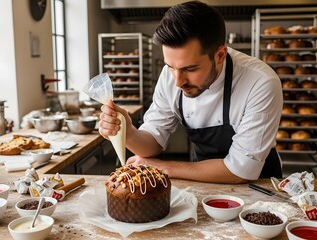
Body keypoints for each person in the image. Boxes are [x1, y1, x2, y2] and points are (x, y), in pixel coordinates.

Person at [99, 0, 283, 184]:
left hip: (259, 188)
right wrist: (127, 131)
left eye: (191, 69)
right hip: (201, 180)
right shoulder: (170, 76)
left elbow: (240, 170)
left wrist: (164, 167)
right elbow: (152, 141)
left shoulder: (261, 82)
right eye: (170, 66)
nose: (178, 81)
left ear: (219, 56)